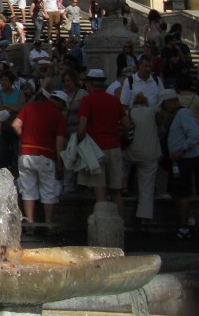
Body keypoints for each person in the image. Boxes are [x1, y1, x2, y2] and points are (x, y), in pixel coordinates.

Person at [11, 89, 67, 228]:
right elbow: (60, 143)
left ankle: (30, 223)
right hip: (46, 155)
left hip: (25, 153)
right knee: (48, 190)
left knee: (27, 189)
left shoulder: (30, 106)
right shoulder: (59, 116)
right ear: (61, 103)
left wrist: (24, 138)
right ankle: (48, 224)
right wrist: (60, 164)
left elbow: (15, 125)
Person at [77, 69, 129, 213]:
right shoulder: (114, 100)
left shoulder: (87, 100)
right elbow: (127, 124)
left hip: (96, 149)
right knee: (116, 191)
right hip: (114, 147)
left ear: (89, 83)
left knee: (99, 190)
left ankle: (102, 223)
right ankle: (120, 222)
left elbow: (81, 129)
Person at [123, 89, 162, 232]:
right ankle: (144, 222)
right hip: (150, 154)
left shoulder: (129, 113)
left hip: (131, 152)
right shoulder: (152, 112)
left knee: (121, 165)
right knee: (147, 188)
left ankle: (124, 185)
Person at [163, 89, 199, 240]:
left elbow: (194, 133)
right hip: (178, 160)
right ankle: (186, 220)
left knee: (182, 193)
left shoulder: (183, 114)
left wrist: (182, 149)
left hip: (185, 160)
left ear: (171, 102)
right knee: (176, 192)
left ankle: (185, 226)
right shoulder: (176, 115)